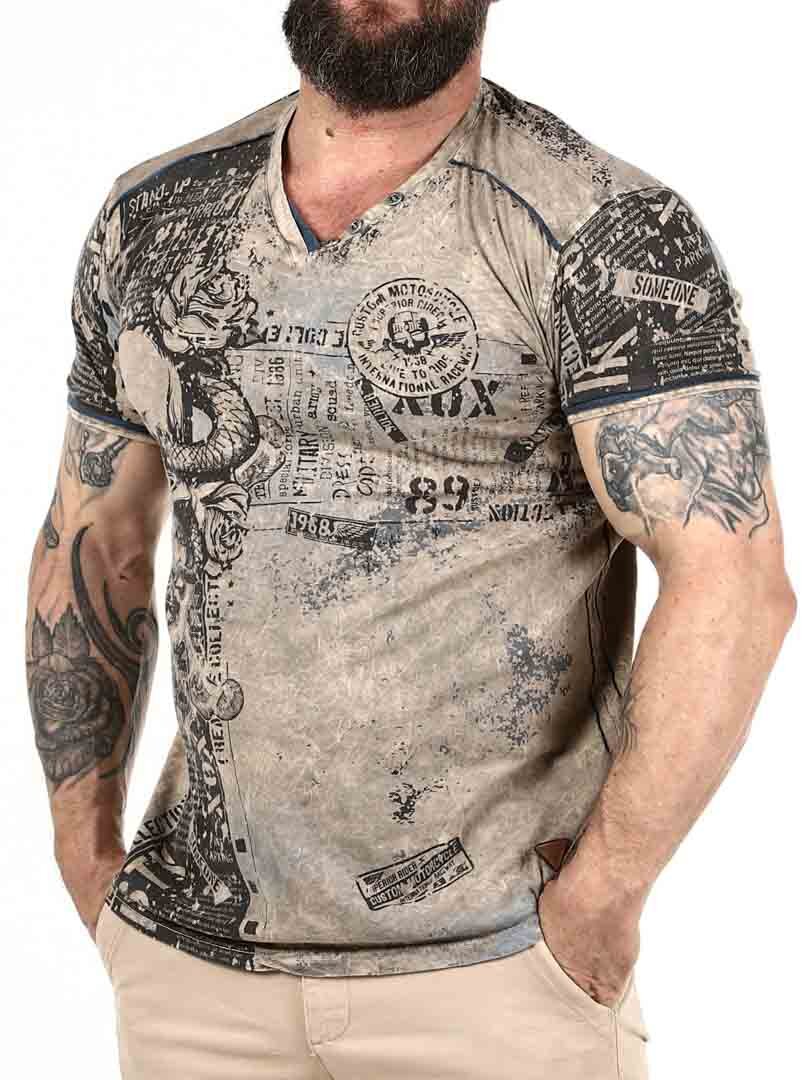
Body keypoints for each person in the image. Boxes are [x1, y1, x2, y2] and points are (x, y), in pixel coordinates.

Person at [25, 2, 796, 1077]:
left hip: (492, 974)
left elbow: (734, 581)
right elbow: (93, 534)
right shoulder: (156, 215)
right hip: (193, 975)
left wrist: (603, 898)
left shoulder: (604, 229)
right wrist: (82, 849)